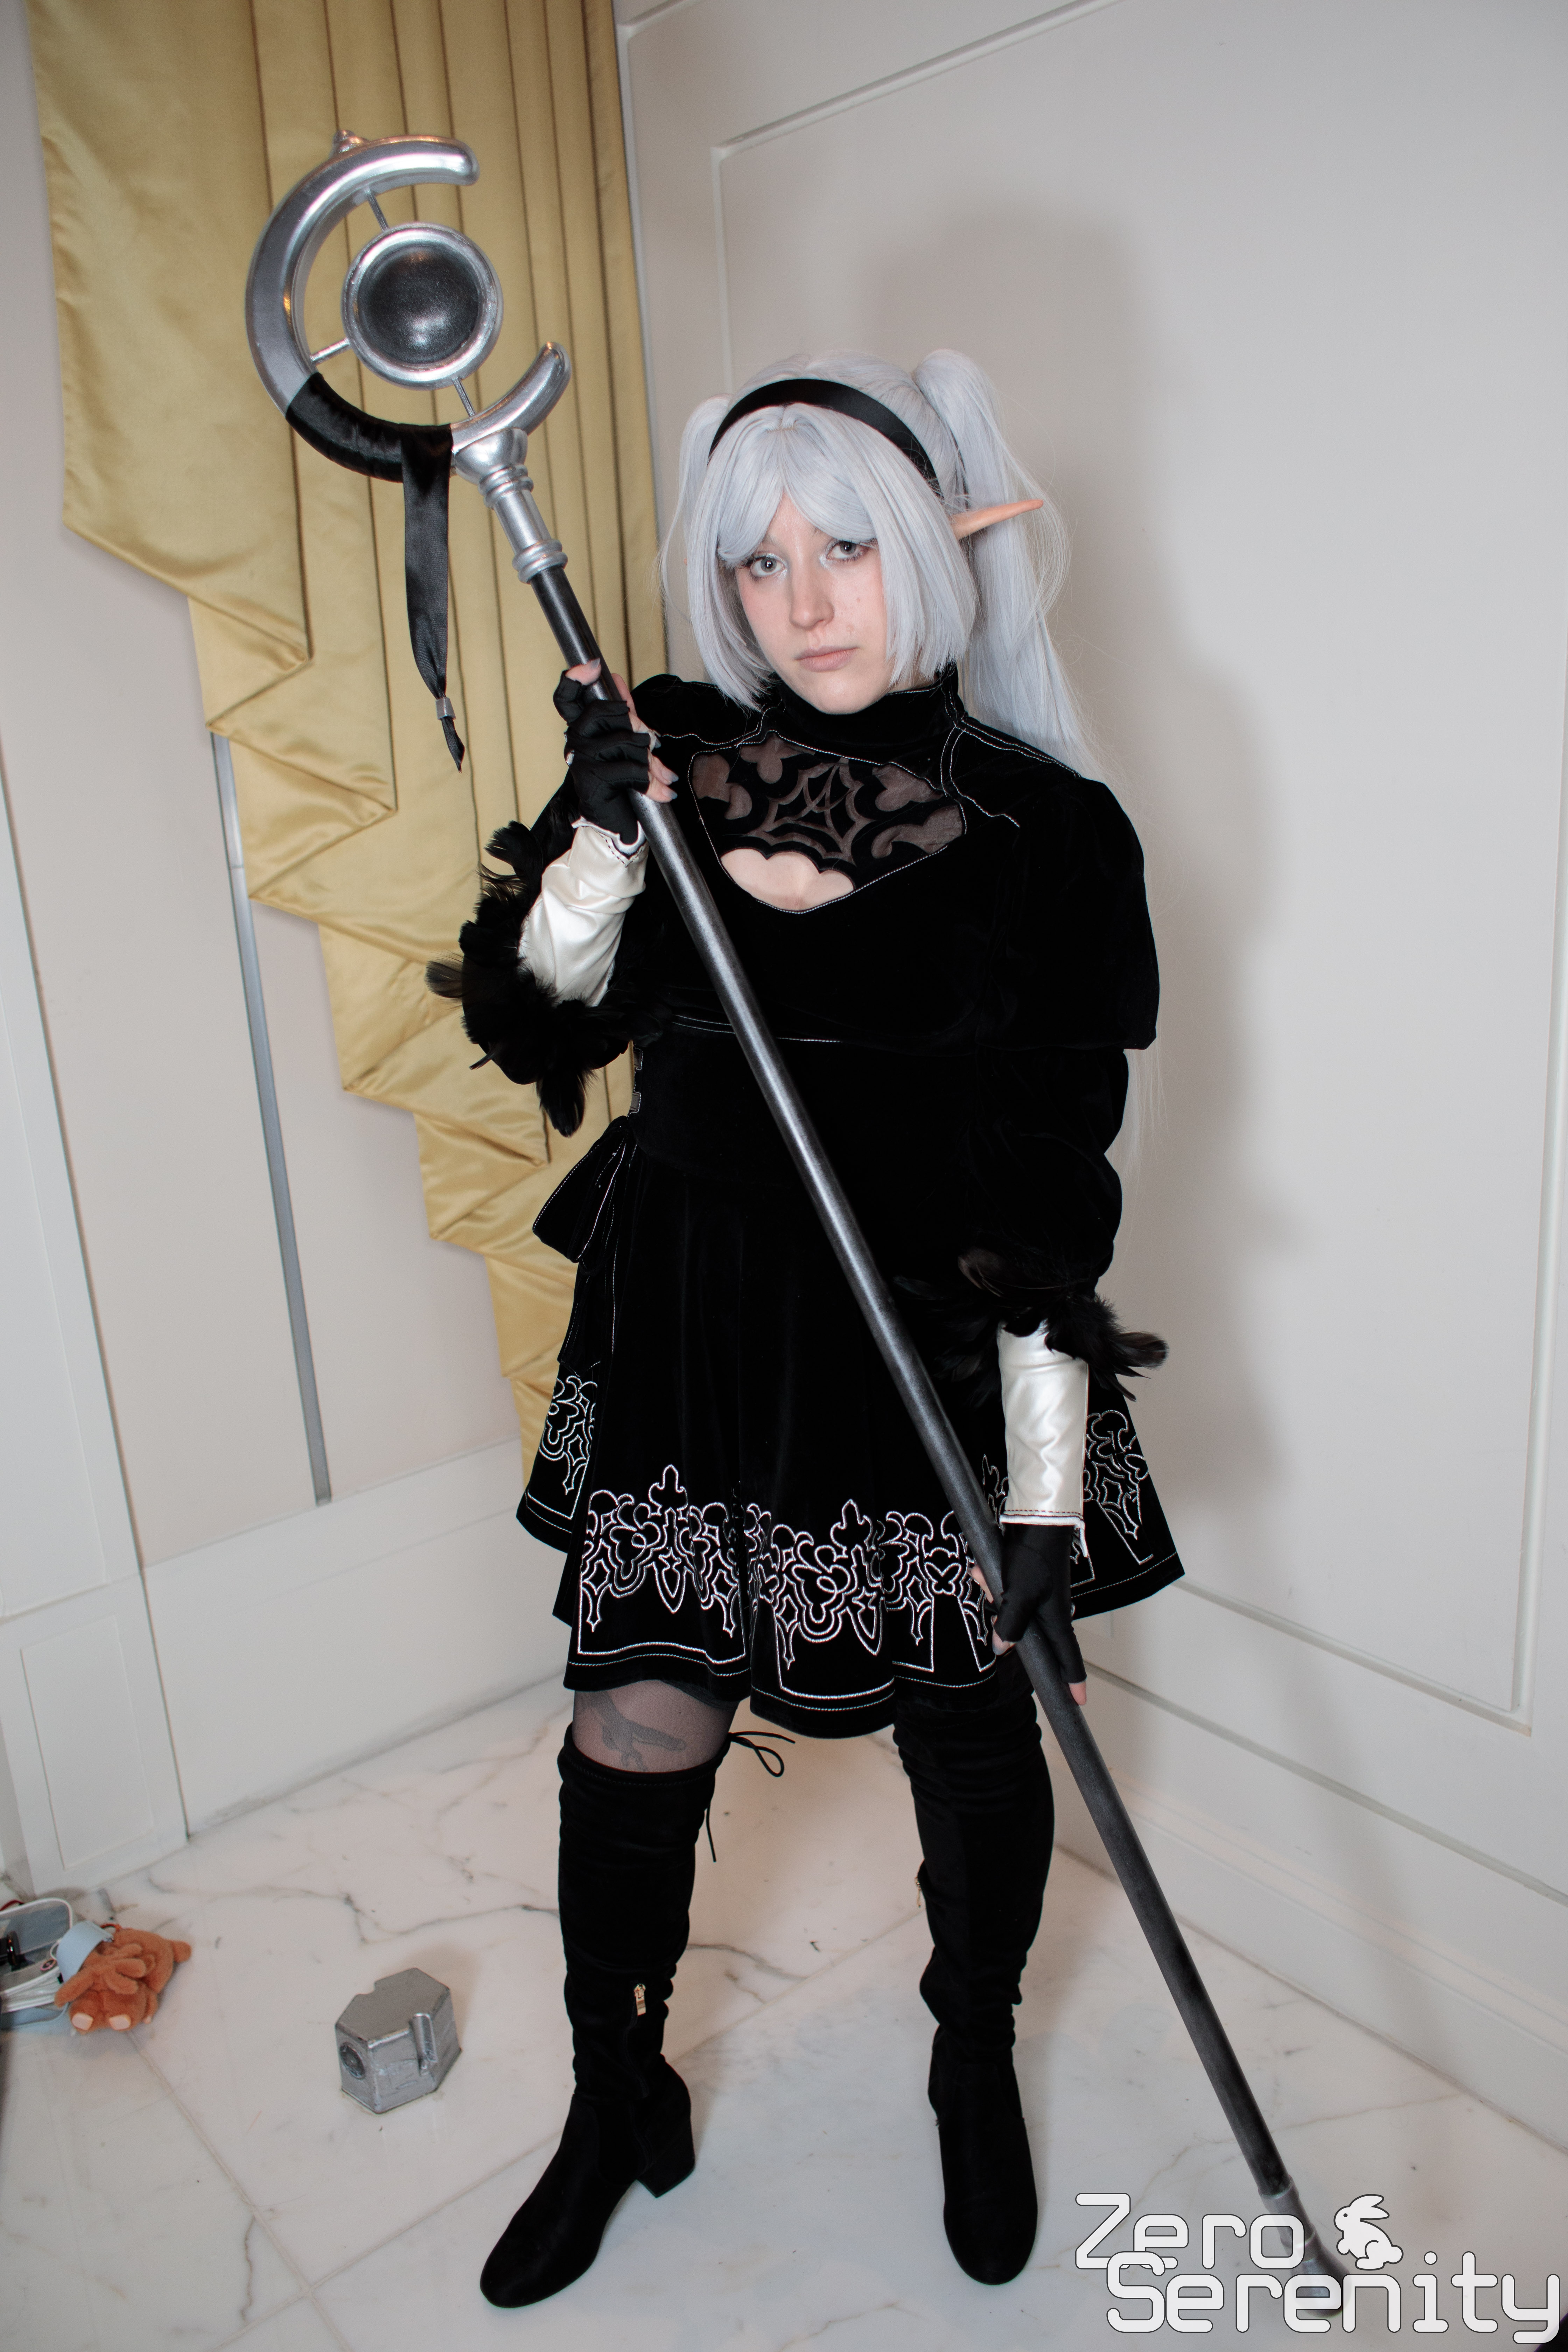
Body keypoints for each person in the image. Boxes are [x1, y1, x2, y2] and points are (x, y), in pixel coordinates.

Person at [430, 349, 1183, 2308]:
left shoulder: (1048, 830)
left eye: (845, 548)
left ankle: (969, 2058)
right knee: (635, 1715)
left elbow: (1059, 1194)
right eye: (757, 563)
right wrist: (605, 842)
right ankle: (617, 2096)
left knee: (971, 1721)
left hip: (922, 1346)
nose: (803, 603)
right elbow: (533, 1021)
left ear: (930, 549)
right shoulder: (663, 756)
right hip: (696, 1325)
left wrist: (1040, 1495)